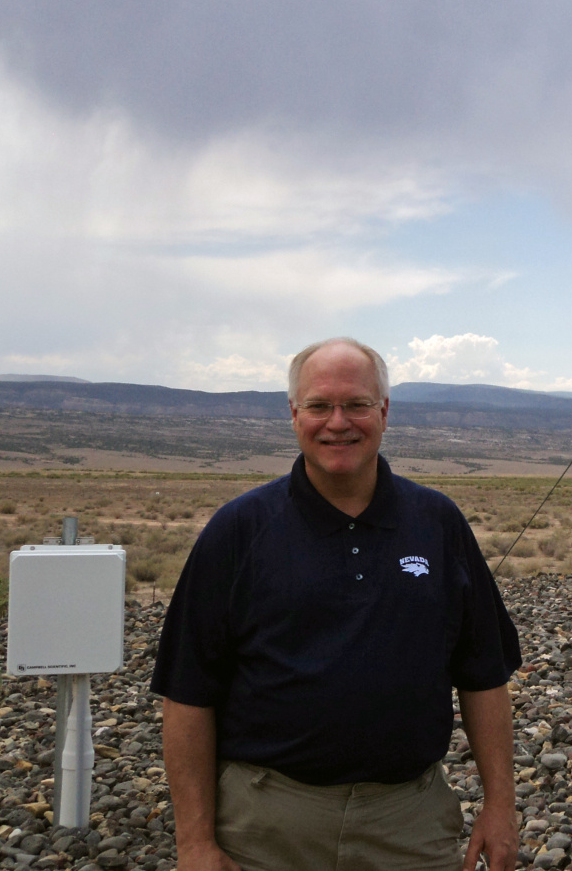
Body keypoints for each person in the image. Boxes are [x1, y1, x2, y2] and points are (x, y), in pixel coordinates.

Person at [151, 337, 522, 871]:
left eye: (357, 405)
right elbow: (187, 692)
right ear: (294, 414)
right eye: (320, 406)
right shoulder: (239, 530)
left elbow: (484, 675)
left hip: (409, 825)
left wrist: (500, 808)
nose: (338, 422)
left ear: (385, 412)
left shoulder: (437, 522)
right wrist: (195, 842)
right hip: (265, 826)